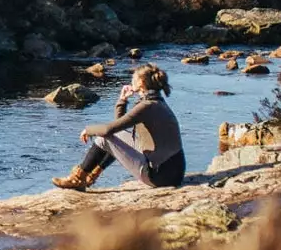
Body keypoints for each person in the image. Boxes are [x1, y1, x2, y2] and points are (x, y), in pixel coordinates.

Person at [52, 63, 185, 191]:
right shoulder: (156, 102)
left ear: (141, 83)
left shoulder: (147, 106)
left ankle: (78, 179)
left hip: (160, 177)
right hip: (173, 174)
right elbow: (119, 128)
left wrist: (88, 130)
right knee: (115, 137)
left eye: (134, 78)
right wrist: (122, 100)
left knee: (104, 137)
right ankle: (88, 177)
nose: (131, 80)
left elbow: (108, 130)